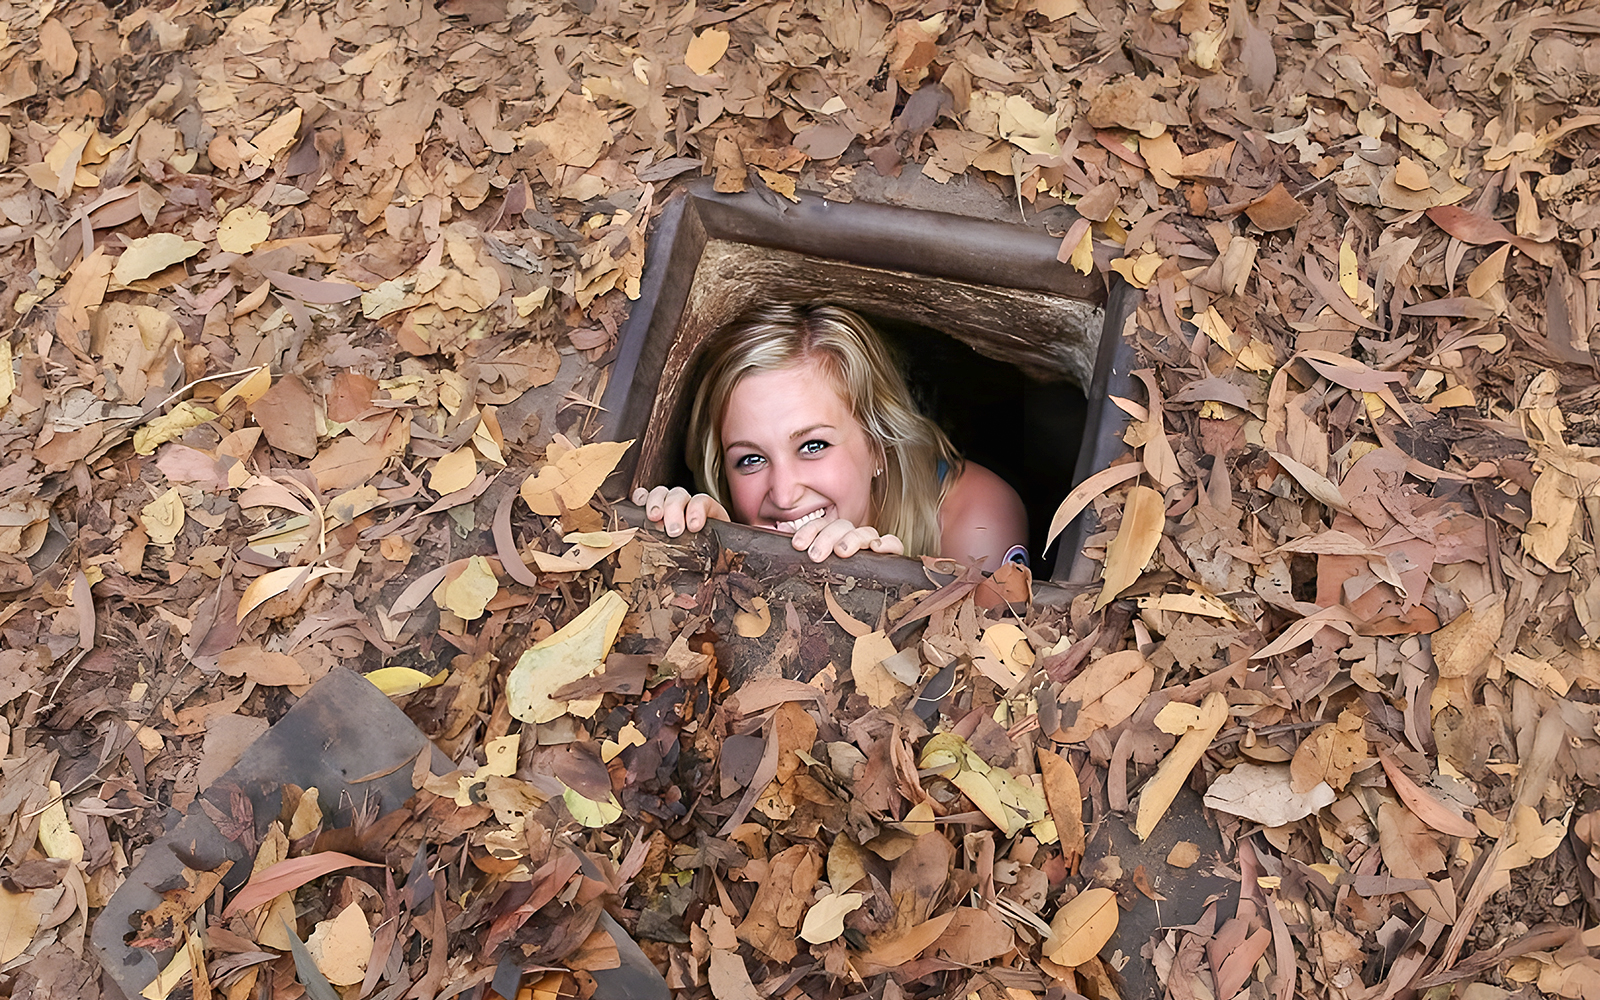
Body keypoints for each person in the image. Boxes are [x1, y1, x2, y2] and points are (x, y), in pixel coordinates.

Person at [632, 303, 1028, 570]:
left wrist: (884, 591)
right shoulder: (737, 512)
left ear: (878, 444)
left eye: (813, 446)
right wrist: (707, 551)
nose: (784, 495)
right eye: (750, 459)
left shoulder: (975, 517)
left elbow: (980, 687)